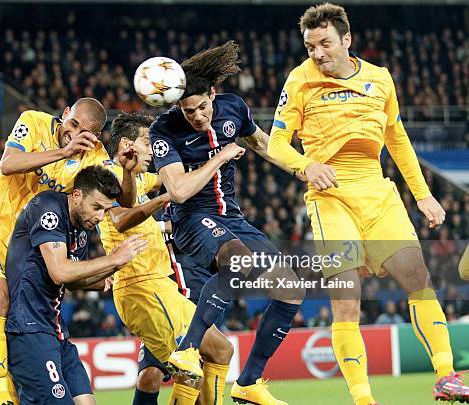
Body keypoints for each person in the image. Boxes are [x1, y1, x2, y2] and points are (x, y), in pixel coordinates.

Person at [267, 3, 469, 404]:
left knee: (419, 279)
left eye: (325, 43)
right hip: (330, 199)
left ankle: (446, 375)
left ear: (346, 39)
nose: (317, 53)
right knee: (347, 300)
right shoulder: (299, 81)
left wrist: (423, 195)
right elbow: (276, 144)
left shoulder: (380, 78)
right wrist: (308, 165)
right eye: (310, 46)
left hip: (378, 193)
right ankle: (363, 398)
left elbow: (397, 140)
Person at [0, 98, 137, 405]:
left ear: (96, 135)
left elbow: (123, 200)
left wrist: (128, 172)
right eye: (73, 124)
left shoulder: (94, 156)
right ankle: (0, 391)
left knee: (16, 299)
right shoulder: (33, 121)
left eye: (85, 131)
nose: (74, 133)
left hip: (25, 245)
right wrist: (63, 153)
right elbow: (7, 164)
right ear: (65, 114)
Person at [150, 41, 305, 405]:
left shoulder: (234, 107)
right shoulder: (164, 130)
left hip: (230, 217)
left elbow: (262, 143)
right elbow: (179, 191)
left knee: (290, 288)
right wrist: (219, 157)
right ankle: (187, 349)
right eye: (188, 111)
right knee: (237, 259)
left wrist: (304, 168)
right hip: (190, 221)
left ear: (213, 95)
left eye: (202, 107)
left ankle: (249, 382)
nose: (197, 117)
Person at [97, 112, 233, 405]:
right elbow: (121, 218)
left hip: (161, 285)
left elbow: (170, 178)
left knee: (221, 351)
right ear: (126, 144)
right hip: (141, 286)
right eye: (148, 142)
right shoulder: (103, 174)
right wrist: (163, 199)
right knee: (187, 369)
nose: (153, 149)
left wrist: (208, 148)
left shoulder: (130, 177)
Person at [4, 165, 148, 405]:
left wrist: (112, 270)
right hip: (29, 330)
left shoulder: (80, 228)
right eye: (97, 207)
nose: (100, 217)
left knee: (87, 402)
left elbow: (74, 281)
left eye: (106, 210)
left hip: (56, 331)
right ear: (77, 195)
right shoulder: (48, 208)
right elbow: (60, 272)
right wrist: (112, 259)